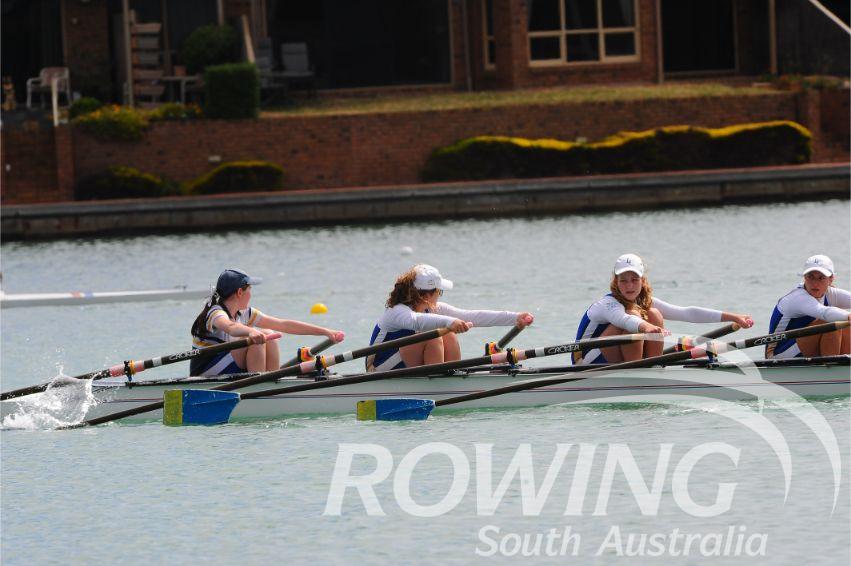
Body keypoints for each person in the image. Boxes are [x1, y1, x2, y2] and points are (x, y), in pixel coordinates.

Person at [573, 253, 754, 365]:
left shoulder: (645, 301)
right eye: (623, 280)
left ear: (643, 281)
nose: (629, 286)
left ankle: (652, 368)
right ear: (616, 282)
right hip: (587, 361)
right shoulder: (607, 304)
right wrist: (648, 327)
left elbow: (686, 313)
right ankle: (638, 373)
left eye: (634, 280)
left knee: (654, 314)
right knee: (635, 315)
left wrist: (733, 317)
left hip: (615, 355)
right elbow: (625, 320)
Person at [366, 264, 534, 371]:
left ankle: (450, 376)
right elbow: (416, 321)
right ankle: (437, 384)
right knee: (434, 336)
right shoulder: (396, 311)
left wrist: (515, 317)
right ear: (427, 295)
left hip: (405, 365)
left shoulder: (434, 309)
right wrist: (450, 322)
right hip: (379, 369)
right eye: (439, 291)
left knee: (448, 334)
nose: (439, 295)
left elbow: (471, 316)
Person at [190, 268, 344, 376]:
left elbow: (284, 325)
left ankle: (271, 379)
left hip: (227, 369)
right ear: (240, 292)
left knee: (269, 334)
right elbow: (230, 327)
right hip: (205, 373)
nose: (251, 294)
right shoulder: (215, 313)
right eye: (250, 289)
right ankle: (258, 384)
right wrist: (251, 331)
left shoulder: (245, 313)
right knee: (255, 338)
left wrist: (325, 332)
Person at [766, 255, 850, 358]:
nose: (815, 283)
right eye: (810, 277)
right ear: (804, 277)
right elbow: (824, 312)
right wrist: (848, 316)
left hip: (802, 346)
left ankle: (844, 362)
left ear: (831, 279)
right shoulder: (798, 297)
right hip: (777, 353)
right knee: (833, 320)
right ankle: (832, 365)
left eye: (821, 278)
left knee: (846, 323)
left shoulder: (831, 294)